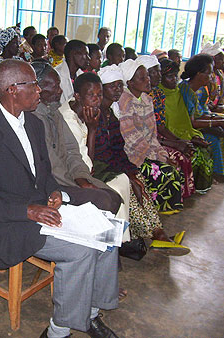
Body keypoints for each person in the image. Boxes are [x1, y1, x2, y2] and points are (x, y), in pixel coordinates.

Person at [0, 58, 121, 338]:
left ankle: (91, 313)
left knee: (108, 233)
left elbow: (44, 172)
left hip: (40, 209)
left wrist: (53, 192)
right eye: (33, 84)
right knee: (80, 252)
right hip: (6, 220)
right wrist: (28, 211)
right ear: (11, 90)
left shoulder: (33, 123)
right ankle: (57, 332)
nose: (39, 91)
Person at [92, 66, 188, 253]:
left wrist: (130, 169)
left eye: (120, 86)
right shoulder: (94, 114)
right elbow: (99, 153)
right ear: (102, 88)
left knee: (139, 181)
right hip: (99, 168)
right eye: (113, 86)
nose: (118, 90)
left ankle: (158, 232)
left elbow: (117, 148)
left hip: (113, 164)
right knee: (128, 187)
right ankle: (156, 234)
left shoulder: (111, 114)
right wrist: (125, 172)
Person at [31, 61, 130, 227]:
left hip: (71, 175)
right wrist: (76, 183)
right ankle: (85, 240)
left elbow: (72, 150)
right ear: (37, 88)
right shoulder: (35, 118)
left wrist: (81, 176)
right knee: (104, 200)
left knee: (114, 197)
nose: (60, 91)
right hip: (55, 183)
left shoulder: (54, 112)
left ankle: (104, 241)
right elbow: (53, 166)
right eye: (55, 86)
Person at [118, 59, 184, 214]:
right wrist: (155, 156)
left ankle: (163, 207)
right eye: (142, 78)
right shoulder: (124, 101)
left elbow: (152, 134)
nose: (148, 80)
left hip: (147, 150)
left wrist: (161, 153)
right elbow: (131, 138)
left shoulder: (147, 99)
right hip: (131, 154)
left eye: (147, 76)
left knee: (172, 165)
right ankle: (155, 209)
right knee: (164, 171)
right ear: (130, 83)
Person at [138, 54, 196, 198]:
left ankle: (181, 195)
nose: (158, 75)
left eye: (159, 71)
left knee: (186, 152)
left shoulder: (158, 93)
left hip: (157, 137)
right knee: (178, 157)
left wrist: (178, 141)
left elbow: (161, 125)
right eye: (154, 72)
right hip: (148, 141)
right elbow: (146, 133)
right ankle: (164, 199)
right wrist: (175, 143)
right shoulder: (140, 96)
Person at [158, 58, 213, 192]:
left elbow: (184, 120)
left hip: (181, 133)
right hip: (167, 135)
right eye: (169, 77)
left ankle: (199, 186)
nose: (174, 80)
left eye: (175, 76)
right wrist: (180, 141)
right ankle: (184, 190)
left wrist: (191, 136)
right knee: (192, 154)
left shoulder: (177, 92)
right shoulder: (158, 95)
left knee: (205, 149)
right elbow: (162, 127)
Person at [55, 39, 89, 104]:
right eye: (86, 54)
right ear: (74, 54)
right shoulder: (56, 75)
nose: (89, 58)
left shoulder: (81, 75)